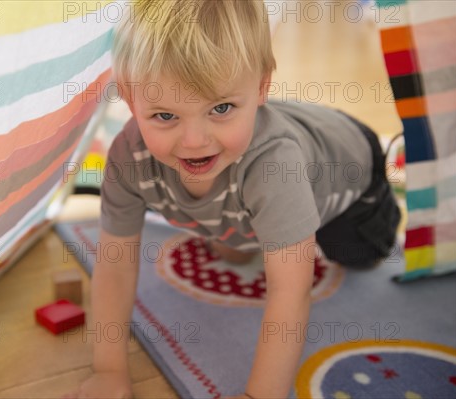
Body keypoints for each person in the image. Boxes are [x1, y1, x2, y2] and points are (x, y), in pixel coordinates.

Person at [70, 0, 401, 397]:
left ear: (262, 87)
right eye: (164, 116)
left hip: (348, 170)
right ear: (127, 96)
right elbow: (115, 264)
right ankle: (248, 207)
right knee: (236, 248)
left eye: (220, 108)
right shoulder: (128, 156)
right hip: (267, 157)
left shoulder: (274, 166)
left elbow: (289, 291)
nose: (194, 141)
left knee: (359, 254)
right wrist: (108, 371)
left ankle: (319, 212)